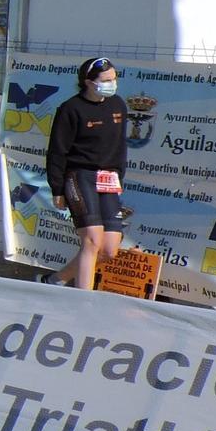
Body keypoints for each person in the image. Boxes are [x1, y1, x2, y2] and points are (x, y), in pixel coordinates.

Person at [46, 57, 130, 289]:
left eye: (114, 79)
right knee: (91, 241)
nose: (112, 84)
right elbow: (57, 151)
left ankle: (55, 280)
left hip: (109, 178)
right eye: (106, 80)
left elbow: (120, 145)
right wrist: (57, 188)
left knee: (108, 249)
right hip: (80, 175)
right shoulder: (71, 109)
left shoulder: (118, 105)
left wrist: (118, 177)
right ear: (89, 83)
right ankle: (83, 303)